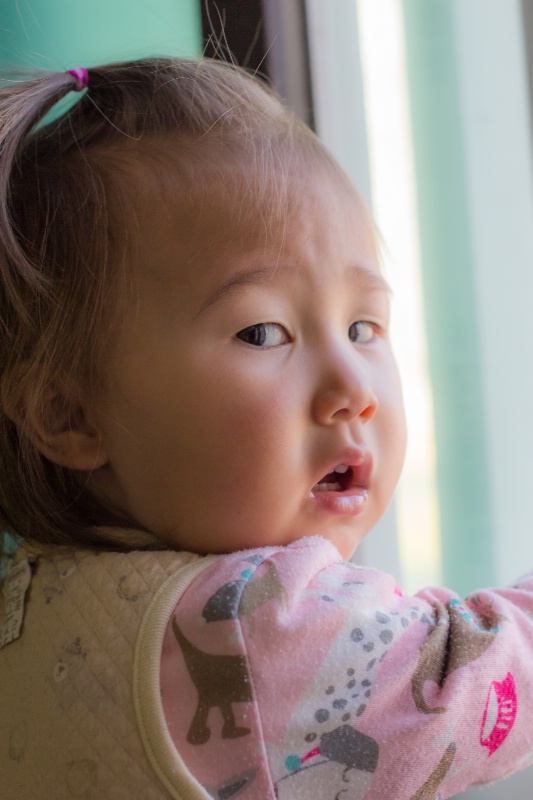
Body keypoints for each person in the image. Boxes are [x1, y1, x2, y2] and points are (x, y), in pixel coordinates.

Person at [0, 57, 531, 800]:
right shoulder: (252, 631)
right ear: (70, 414)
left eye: (362, 326)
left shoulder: (33, 604)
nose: (352, 390)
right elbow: (468, 680)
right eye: (262, 333)